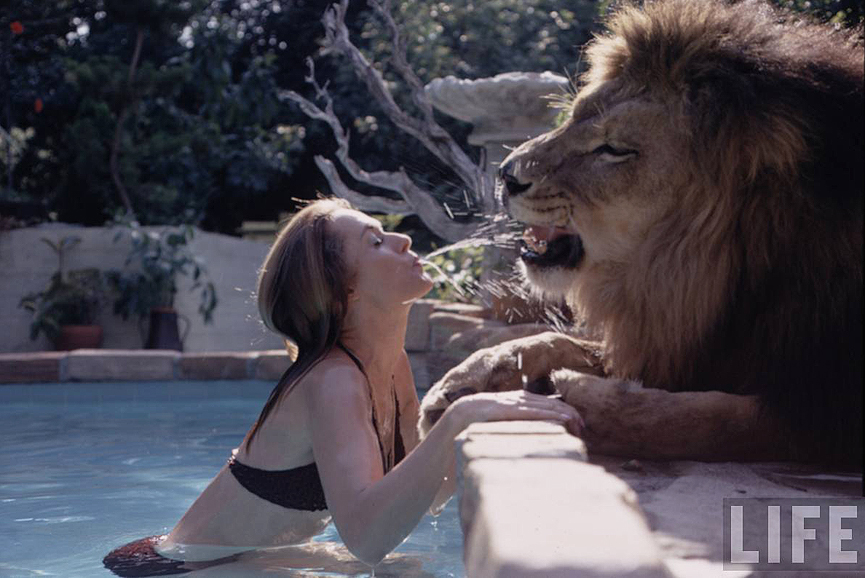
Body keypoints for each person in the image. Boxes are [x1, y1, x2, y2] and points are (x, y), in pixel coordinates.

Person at [104, 198, 583, 576]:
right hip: (180, 567)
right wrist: (460, 417)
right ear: (345, 292)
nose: (402, 239)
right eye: (375, 242)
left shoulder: (389, 364)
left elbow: (430, 495)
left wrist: (493, 416)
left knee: (406, 570)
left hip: (244, 558)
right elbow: (368, 538)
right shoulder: (334, 379)